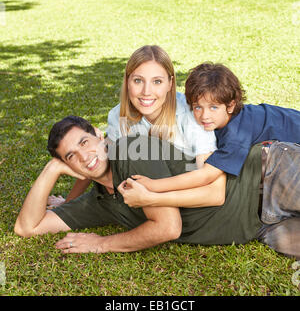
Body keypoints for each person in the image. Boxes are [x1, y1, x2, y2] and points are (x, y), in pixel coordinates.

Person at [14, 116, 300, 259]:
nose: (84, 157)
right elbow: (27, 228)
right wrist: (52, 169)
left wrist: (100, 244)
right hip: (262, 227)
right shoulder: (99, 201)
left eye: (84, 143)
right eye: (71, 157)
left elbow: (167, 227)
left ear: (101, 137)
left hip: (269, 174)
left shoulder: (132, 150)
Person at [47, 46, 218, 208]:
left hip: (191, 197)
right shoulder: (118, 116)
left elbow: (209, 182)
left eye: (157, 81)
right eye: (138, 80)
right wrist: (68, 202)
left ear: (170, 83)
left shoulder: (191, 113)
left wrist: (152, 196)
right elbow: (98, 158)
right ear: (127, 81)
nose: (146, 91)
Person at [124, 62, 300, 200]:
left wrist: (154, 185)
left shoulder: (237, 134)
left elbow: (207, 175)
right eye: (197, 107)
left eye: (213, 107)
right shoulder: (222, 122)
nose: (204, 116)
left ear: (230, 105)